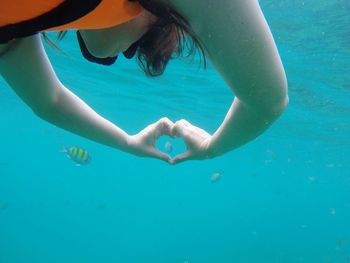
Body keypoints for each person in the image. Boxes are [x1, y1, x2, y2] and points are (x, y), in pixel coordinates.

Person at [0, 0, 288, 165]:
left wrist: (126, 141)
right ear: (156, 15)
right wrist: (212, 148)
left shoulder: (11, 26)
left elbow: (49, 101)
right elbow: (267, 101)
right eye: (138, 46)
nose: (121, 54)